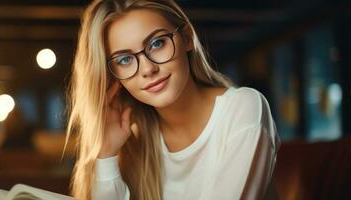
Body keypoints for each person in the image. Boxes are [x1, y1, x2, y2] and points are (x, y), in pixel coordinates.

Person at [65, 0, 281, 199]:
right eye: (125, 59)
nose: (148, 69)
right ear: (113, 77)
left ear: (187, 38)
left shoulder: (243, 108)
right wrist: (106, 154)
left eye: (157, 43)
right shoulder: (134, 143)